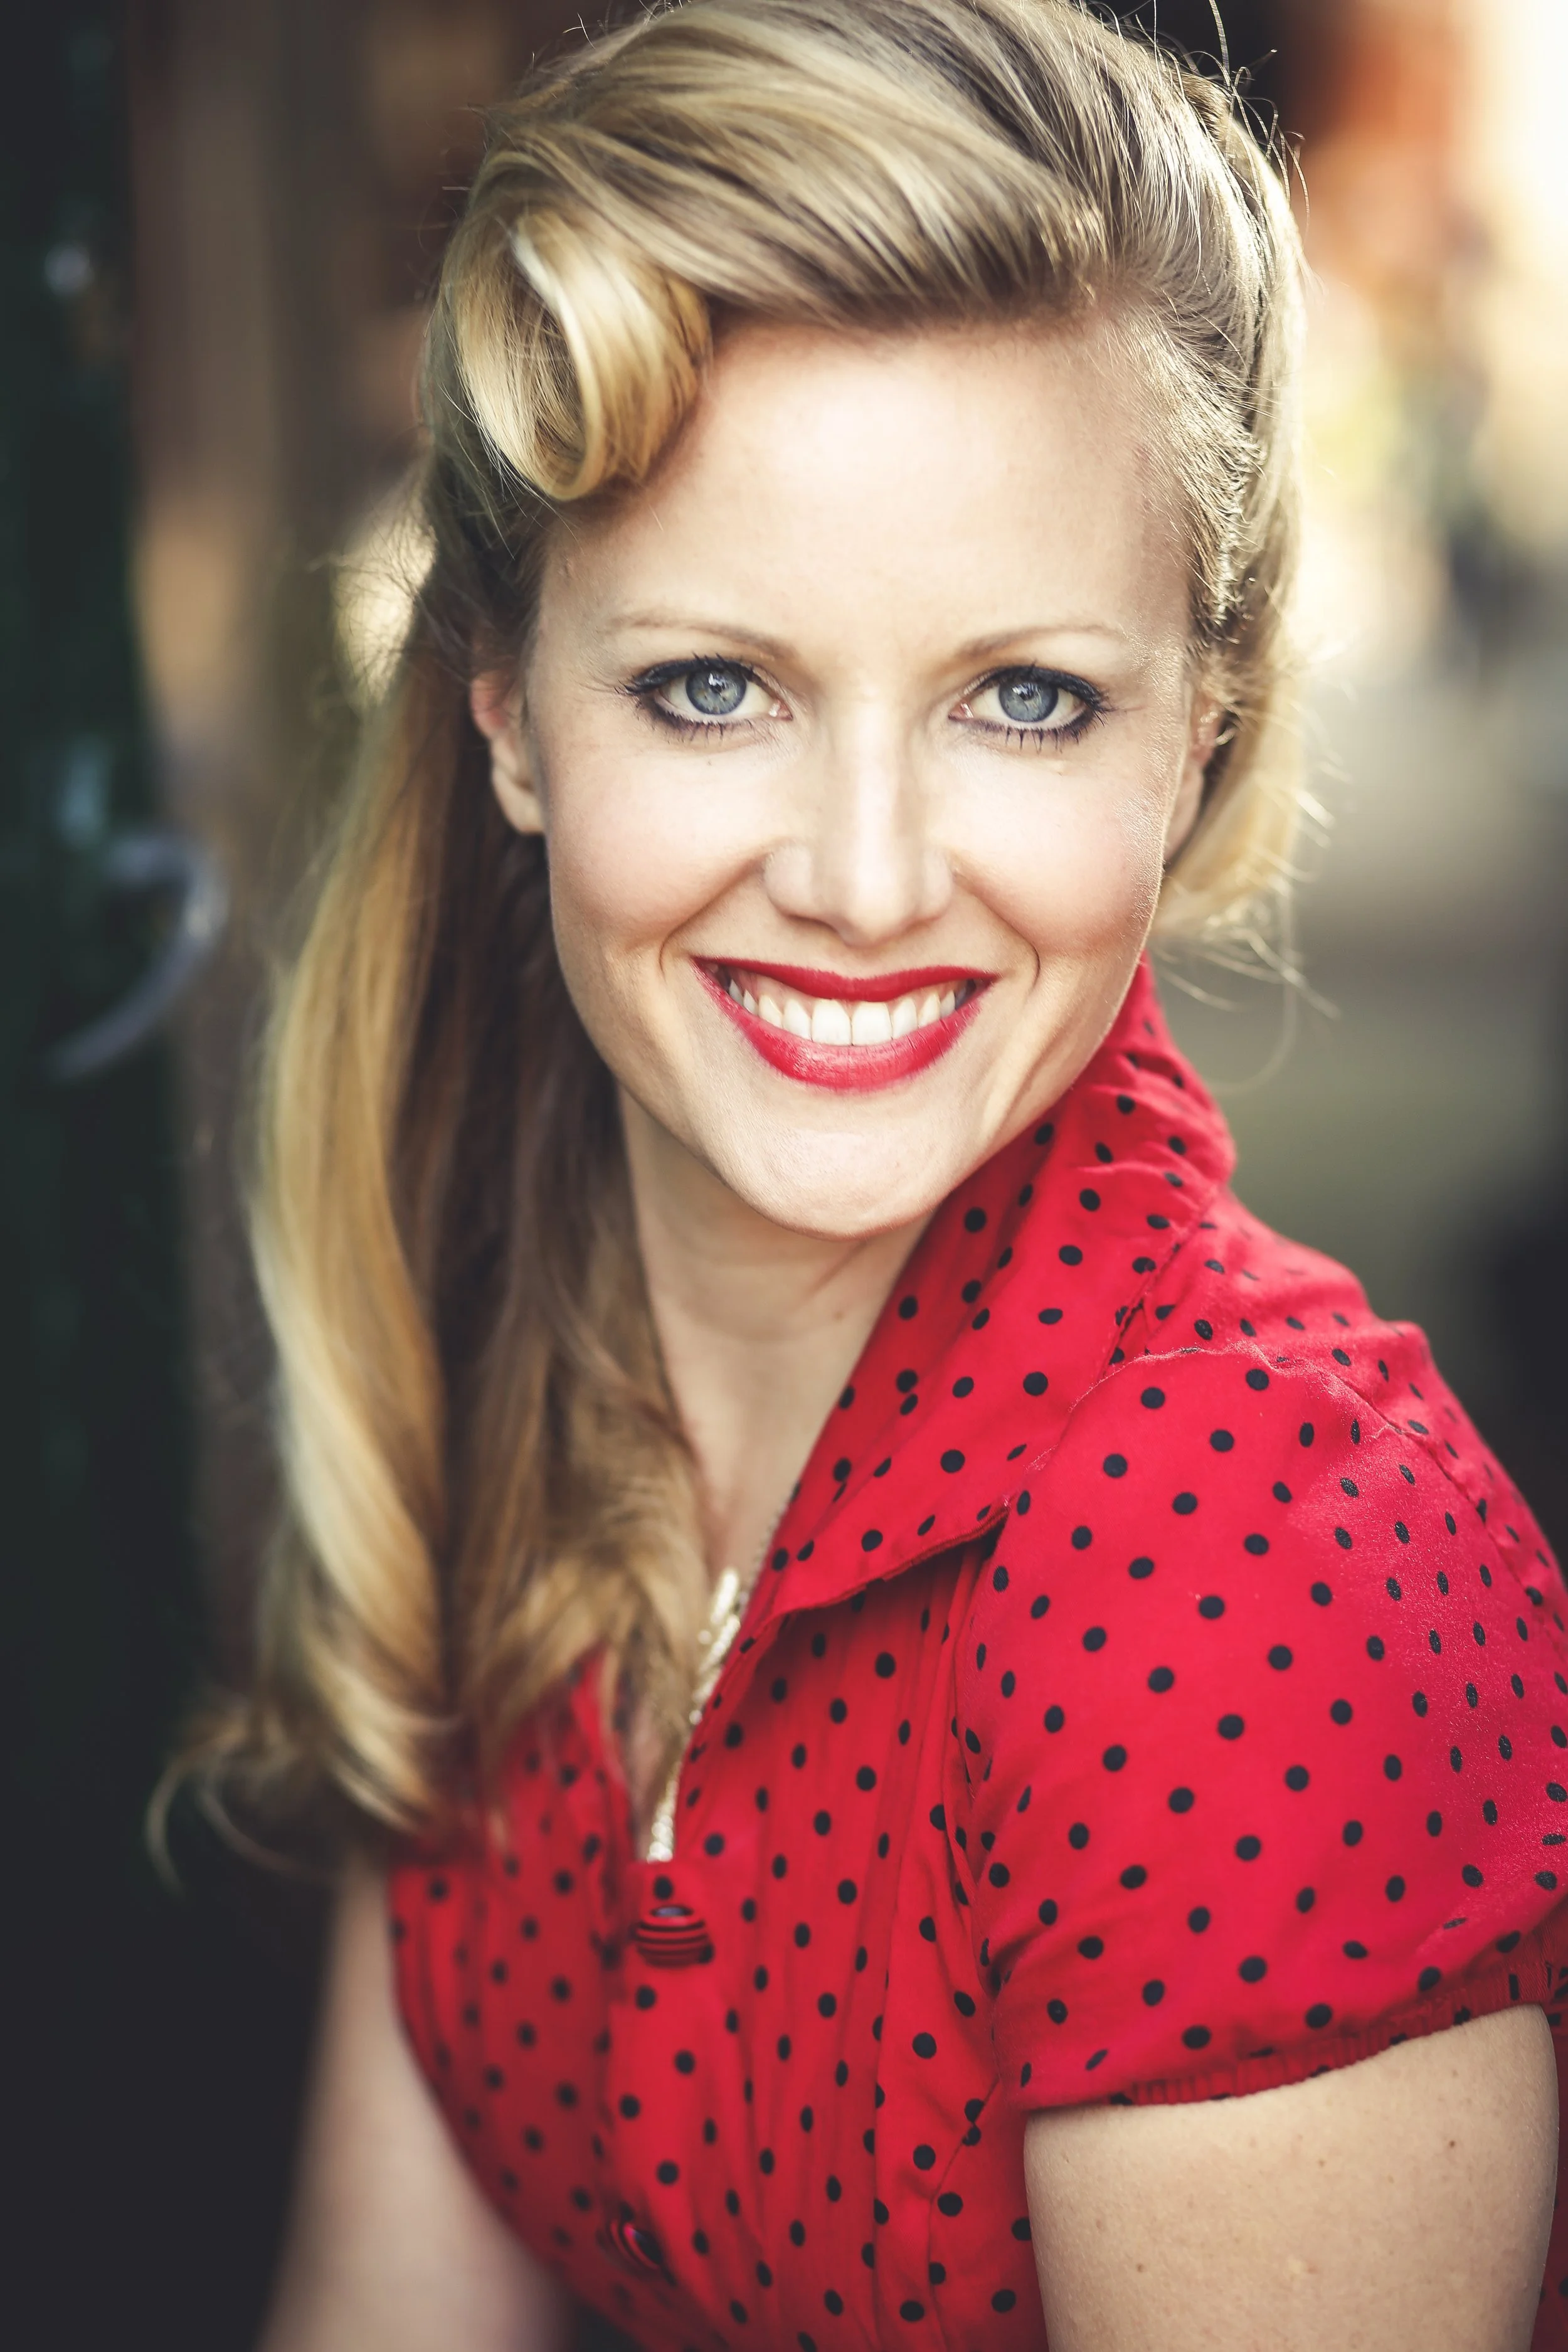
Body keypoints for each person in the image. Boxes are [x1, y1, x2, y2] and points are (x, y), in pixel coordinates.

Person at [201, 3, 1568, 2344]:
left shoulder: (1244, 1576)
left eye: (1020, 696)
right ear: (508, 707)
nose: (857, 878)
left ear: (1198, 729)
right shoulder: (496, 1322)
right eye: (711, 684)